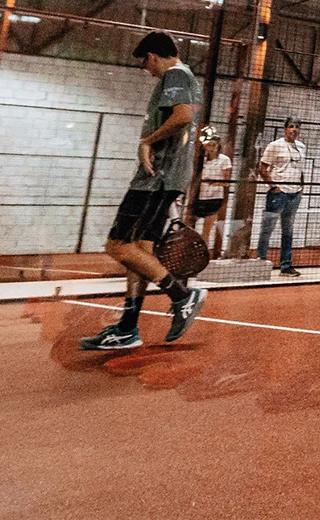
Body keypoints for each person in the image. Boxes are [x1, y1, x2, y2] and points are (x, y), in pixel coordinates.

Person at [79, 32, 207, 351]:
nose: (146, 70)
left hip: (155, 179)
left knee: (118, 246)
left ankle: (182, 296)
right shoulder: (188, 77)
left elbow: (182, 116)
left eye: (144, 63)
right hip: (166, 178)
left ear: (151, 56)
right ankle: (127, 328)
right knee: (140, 251)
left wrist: (147, 141)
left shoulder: (175, 74)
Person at [257, 117, 306, 277]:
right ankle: (260, 262)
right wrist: (274, 187)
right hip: (278, 194)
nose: (294, 129)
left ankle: (286, 266)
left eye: (297, 127)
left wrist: (301, 187)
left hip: (294, 193)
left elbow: (300, 169)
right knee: (267, 229)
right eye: (291, 126)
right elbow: (262, 168)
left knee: (288, 230)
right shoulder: (275, 145)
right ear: (285, 129)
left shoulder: (301, 147)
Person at [193, 125, 233, 257]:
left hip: (214, 197)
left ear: (218, 146)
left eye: (214, 145)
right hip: (200, 195)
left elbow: (227, 182)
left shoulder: (224, 160)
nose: (211, 148)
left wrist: (213, 182)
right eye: (209, 145)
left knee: (207, 228)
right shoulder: (201, 160)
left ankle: (203, 254)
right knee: (192, 223)